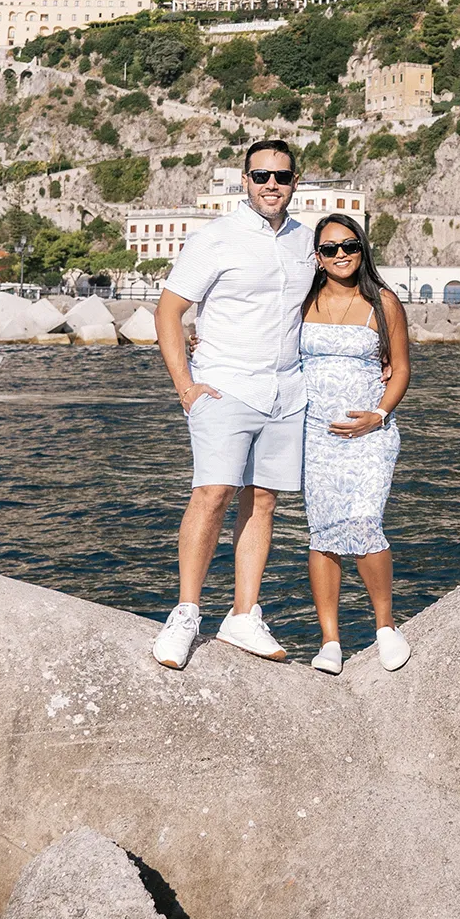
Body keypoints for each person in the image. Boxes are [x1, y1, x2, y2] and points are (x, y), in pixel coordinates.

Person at [151, 140, 314, 669]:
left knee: (263, 500)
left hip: (286, 390)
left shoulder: (306, 241)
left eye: (281, 176)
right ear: (244, 181)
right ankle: (186, 613)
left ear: (295, 182)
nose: (272, 185)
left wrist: (380, 353)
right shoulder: (214, 238)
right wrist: (185, 386)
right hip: (225, 385)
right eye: (261, 175)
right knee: (213, 492)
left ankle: (244, 615)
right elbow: (169, 311)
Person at [298, 213, 412, 675]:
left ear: (362, 249)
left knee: (365, 522)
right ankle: (330, 641)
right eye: (330, 249)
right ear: (318, 257)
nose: (341, 254)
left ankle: (385, 626)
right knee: (324, 532)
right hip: (316, 435)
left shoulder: (383, 302)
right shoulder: (301, 301)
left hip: (371, 435)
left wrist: (378, 414)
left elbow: (400, 368)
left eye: (349, 245)